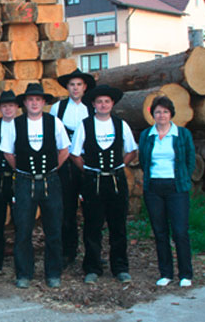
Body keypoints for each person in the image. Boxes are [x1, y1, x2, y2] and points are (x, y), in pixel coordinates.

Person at [1, 83, 71, 290]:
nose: (34, 103)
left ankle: (53, 273)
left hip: (50, 181)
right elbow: (8, 153)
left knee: (53, 229)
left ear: (44, 102)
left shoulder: (54, 122)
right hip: (24, 182)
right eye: (30, 99)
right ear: (24, 102)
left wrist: (50, 170)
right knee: (23, 229)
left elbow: (65, 150)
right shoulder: (15, 124)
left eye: (38, 99)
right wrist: (24, 172)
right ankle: (24, 273)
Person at [70, 85, 139, 285]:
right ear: (93, 104)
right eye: (99, 101)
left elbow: (131, 150)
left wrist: (118, 166)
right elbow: (75, 154)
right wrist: (90, 171)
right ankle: (92, 267)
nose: (103, 105)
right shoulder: (85, 125)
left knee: (118, 226)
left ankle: (120, 267)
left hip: (116, 181)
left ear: (112, 104)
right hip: (94, 181)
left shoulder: (120, 124)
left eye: (106, 101)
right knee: (92, 225)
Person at [139, 96, 195, 288]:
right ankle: (166, 273)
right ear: (152, 114)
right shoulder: (147, 135)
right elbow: (143, 160)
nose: (161, 115)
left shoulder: (182, 134)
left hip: (176, 188)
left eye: (165, 111)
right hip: (154, 188)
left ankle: (186, 274)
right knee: (160, 232)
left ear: (171, 114)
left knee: (180, 231)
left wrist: (183, 179)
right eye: (157, 112)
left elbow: (190, 160)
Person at [50, 69, 96, 266]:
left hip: (87, 162)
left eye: (79, 84)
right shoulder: (57, 108)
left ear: (85, 87)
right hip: (65, 164)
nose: (75, 88)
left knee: (92, 210)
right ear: (67, 87)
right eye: (72, 85)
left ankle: (92, 253)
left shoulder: (92, 108)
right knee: (66, 209)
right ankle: (68, 251)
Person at [0, 91, 20, 274]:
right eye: (4, 106)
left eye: (11, 105)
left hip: (18, 177)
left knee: (20, 221)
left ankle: (20, 260)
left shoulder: (24, 125)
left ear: (17, 107)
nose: (8, 109)